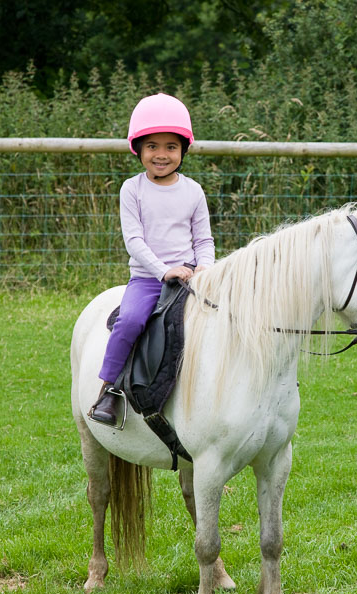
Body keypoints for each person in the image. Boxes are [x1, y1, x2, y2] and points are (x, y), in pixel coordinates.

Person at [89, 93, 215, 426]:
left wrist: (206, 267)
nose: (161, 155)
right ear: (140, 150)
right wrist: (163, 271)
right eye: (153, 147)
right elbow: (134, 241)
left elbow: (203, 239)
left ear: (183, 151)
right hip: (148, 279)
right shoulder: (132, 190)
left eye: (171, 147)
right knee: (129, 322)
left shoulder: (193, 191)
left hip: (190, 276)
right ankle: (109, 391)